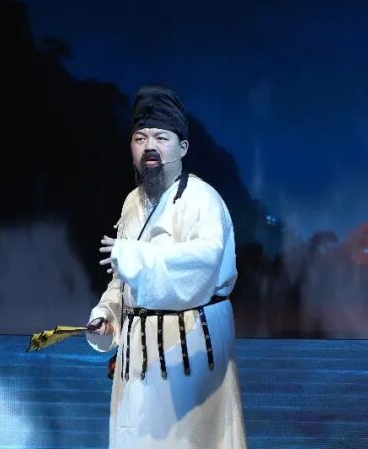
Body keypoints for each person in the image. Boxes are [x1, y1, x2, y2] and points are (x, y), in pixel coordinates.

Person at [85, 84, 247, 448]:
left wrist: (136, 257)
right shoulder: (132, 203)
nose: (150, 147)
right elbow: (124, 280)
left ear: (183, 147)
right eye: (140, 138)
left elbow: (204, 263)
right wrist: (107, 314)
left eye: (161, 137)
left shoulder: (203, 200)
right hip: (138, 361)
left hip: (189, 355)